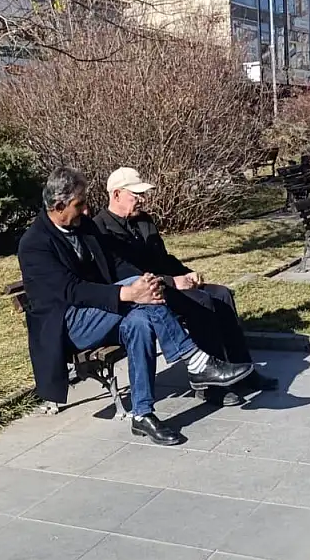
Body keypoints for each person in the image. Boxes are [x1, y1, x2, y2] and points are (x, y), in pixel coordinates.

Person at [17, 167, 253, 445]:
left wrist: (146, 282)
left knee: (140, 322)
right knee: (138, 293)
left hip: (102, 310)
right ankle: (197, 362)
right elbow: (72, 290)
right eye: (78, 205)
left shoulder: (84, 225)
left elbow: (113, 264)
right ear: (58, 207)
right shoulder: (34, 244)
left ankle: (142, 415)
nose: (85, 210)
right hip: (68, 324)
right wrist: (128, 292)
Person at [91, 167, 276, 397]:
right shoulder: (101, 229)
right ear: (116, 194)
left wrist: (188, 274)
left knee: (222, 295)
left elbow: (164, 258)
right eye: (135, 195)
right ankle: (210, 385)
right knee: (200, 301)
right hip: (146, 294)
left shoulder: (144, 220)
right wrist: (173, 282)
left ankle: (244, 369)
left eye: (142, 194)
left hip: (169, 282)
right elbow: (124, 273)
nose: (141, 199)